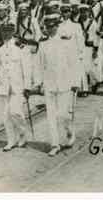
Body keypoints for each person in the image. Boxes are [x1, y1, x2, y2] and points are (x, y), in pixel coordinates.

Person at [38, 14, 80, 157]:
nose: (51, 29)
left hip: (65, 83)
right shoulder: (43, 44)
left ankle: (69, 130)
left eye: (53, 26)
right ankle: (55, 144)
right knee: (51, 116)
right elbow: (40, 65)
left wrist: (75, 82)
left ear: (58, 26)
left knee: (62, 114)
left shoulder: (66, 43)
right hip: (49, 84)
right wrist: (39, 83)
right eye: (48, 27)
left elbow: (73, 63)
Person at [0, 23, 28, 152]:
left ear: (13, 32)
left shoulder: (20, 48)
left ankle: (22, 132)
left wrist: (27, 86)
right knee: (6, 115)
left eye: (9, 31)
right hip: (4, 86)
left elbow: (26, 67)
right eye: (4, 31)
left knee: (16, 111)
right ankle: (11, 140)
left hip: (17, 85)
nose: (6, 34)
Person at [15, 3, 41, 90]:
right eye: (21, 10)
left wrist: (36, 44)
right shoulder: (18, 21)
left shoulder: (33, 20)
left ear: (28, 11)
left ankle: (38, 84)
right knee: (25, 66)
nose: (23, 12)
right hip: (23, 45)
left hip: (32, 45)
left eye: (25, 10)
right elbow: (16, 34)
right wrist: (18, 43)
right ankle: (27, 86)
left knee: (35, 66)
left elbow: (38, 33)